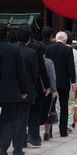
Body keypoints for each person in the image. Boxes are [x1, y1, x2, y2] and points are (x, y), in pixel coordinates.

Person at [0, 22, 28, 155]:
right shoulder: (14, 49)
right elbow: (20, 72)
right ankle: (3, 147)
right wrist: (24, 90)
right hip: (9, 90)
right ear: (7, 33)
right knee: (9, 119)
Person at [13, 25, 38, 154]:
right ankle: (19, 146)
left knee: (12, 118)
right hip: (27, 89)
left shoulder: (12, 50)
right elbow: (35, 74)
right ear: (29, 38)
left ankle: (15, 142)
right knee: (23, 119)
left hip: (11, 89)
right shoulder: (31, 53)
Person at [46, 31, 76, 137]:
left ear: (57, 38)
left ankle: (48, 132)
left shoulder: (49, 48)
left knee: (50, 106)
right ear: (65, 40)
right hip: (64, 81)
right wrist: (73, 82)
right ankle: (63, 131)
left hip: (51, 81)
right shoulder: (68, 49)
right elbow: (71, 67)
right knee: (64, 106)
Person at [39, 42, 57, 141]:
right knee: (49, 111)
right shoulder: (49, 62)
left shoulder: (34, 60)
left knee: (37, 112)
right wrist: (54, 90)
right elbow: (52, 77)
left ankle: (33, 132)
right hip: (48, 90)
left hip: (37, 91)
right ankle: (46, 133)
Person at [65, 30, 77, 133]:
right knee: (70, 101)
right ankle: (69, 122)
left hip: (59, 80)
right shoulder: (74, 52)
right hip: (72, 80)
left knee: (59, 103)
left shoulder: (53, 49)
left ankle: (60, 122)